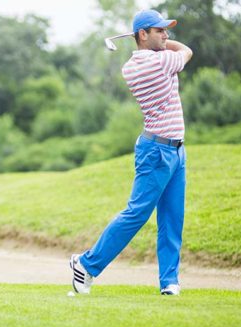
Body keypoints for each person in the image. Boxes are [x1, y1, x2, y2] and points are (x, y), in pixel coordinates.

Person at [70, 9, 193, 296]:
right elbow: (187, 50)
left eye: (166, 30)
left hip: (176, 149)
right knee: (137, 214)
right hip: (157, 151)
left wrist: (159, 40)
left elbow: (170, 47)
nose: (166, 35)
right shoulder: (157, 63)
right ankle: (86, 264)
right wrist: (168, 44)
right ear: (142, 34)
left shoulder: (136, 63)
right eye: (159, 30)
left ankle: (169, 282)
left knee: (172, 217)